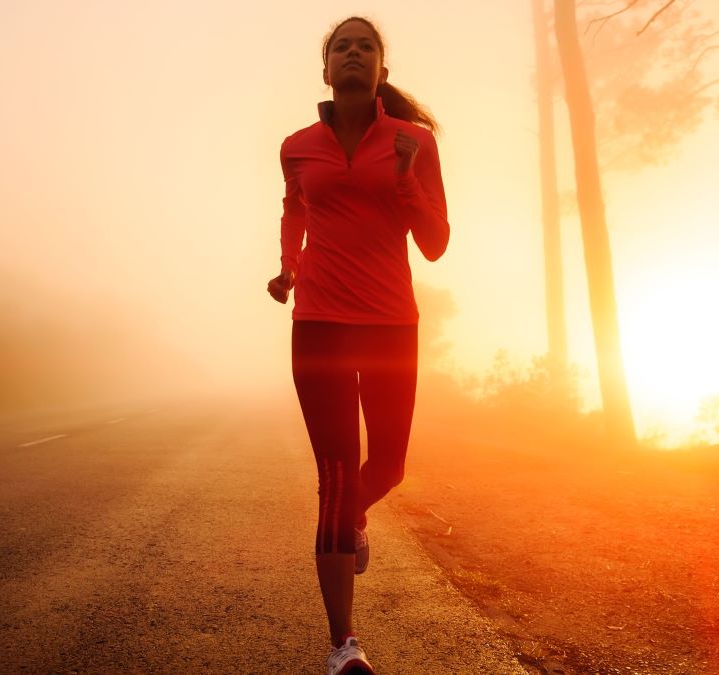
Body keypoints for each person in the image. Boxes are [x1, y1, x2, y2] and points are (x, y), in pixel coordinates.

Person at [266, 16, 450, 675]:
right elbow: (294, 207)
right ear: (326, 71)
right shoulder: (297, 146)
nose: (352, 53)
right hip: (318, 323)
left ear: (381, 70)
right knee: (338, 477)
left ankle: (353, 521)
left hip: (391, 323)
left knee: (388, 467)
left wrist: (403, 179)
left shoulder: (414, 142)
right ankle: (343, 643)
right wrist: (288, 267)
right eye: (340, 46)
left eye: (364, 46)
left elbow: (435, 241)